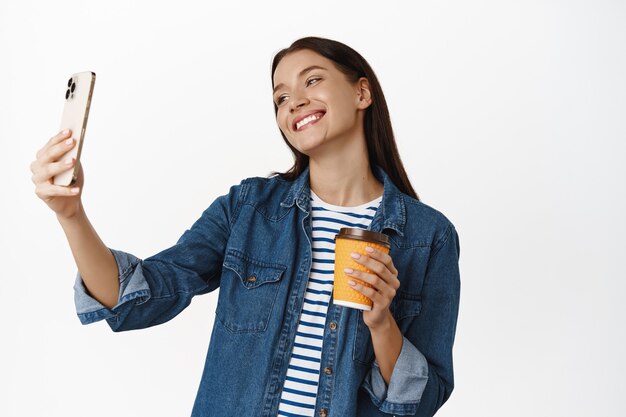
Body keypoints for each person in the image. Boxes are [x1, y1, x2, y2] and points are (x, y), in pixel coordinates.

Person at [31, 36, 461, 417]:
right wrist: (71, 215)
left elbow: (423, 401)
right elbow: (140, 297)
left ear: (362, 91)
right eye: (280, 98)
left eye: (311, 81)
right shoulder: (248, 208)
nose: (293, 101)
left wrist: (382, 323)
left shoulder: (428, 236)